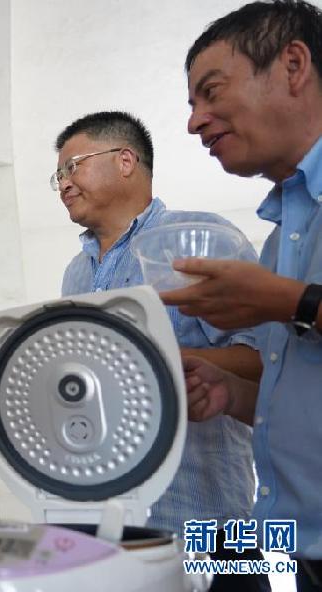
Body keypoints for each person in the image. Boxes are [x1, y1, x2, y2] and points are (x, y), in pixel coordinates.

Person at [53, 111, 269, 591]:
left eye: (73, 166)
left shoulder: (199, 238)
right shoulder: (76, 274)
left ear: (125, 160)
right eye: (58, 175)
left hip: (209, 523)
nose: (63, 183)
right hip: (110, 527)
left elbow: (262, 363)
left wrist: (147, 360)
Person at [160, 2, 322, 589]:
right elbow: (298, 398)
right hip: (291, 544)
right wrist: (232, 395)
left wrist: (292, 302)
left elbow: (292, 309)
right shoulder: (281, 237)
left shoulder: (220, 239)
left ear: (293, 65)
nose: (194, 122)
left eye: (210, 92)